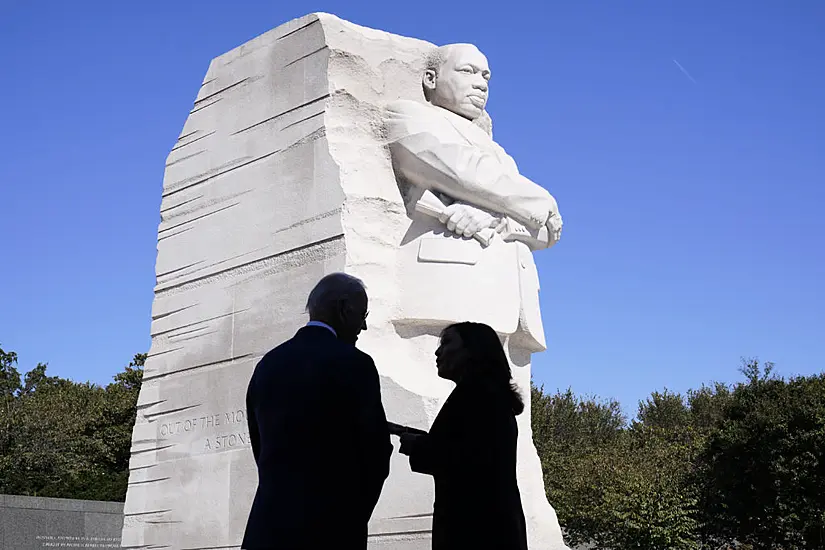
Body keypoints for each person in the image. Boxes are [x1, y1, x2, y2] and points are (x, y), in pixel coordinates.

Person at [385, 43, 563, 352]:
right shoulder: (408, 115)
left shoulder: (500, 154)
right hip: (449, 288)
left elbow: (549, 231)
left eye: (486, 76)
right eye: (467, 71)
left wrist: (497, 218)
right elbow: (460, 168)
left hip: (511, 301)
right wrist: (541, 199)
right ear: (430, 78)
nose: (480, 83)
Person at [241, 273, 393, 550]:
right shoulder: (355, 364)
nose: (365, 326)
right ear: (343, 308)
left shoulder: (268, 364)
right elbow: (376, 454)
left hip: (267, 528)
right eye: (362, 314)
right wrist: (353, 516)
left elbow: (260, 446)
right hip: (331, 529)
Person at [397, 321, 529, 550]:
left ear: (472, 351)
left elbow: (463, 460)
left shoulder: (475, 397)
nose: (438, 351)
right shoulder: (487, 396)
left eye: (447, 343)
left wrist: (418, 445)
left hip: (475, 530)